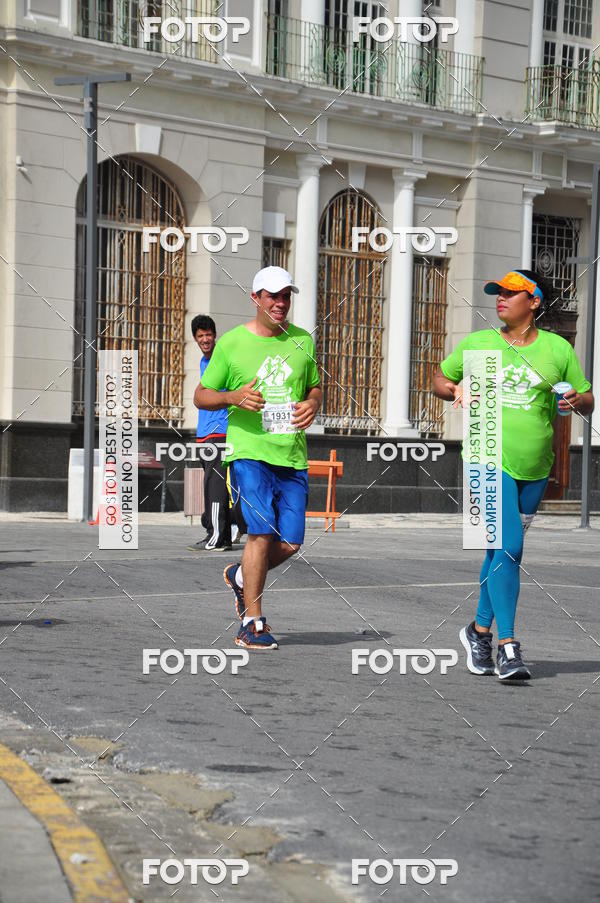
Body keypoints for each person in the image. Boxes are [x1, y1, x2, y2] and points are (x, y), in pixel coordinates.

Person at [433, 269, 594, 681]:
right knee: (509, 546)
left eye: (511, 293)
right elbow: (439, 379)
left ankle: (477, 631)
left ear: (534, 302)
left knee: (498, 552)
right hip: (484, 457)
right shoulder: (479, 343)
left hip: (536, 467)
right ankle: (508, 645)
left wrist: (577, 400)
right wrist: (455, 391)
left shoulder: (557, 349)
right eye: (498, 292)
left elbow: (586, 397)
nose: (500, 298)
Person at [194, 266, 322, 650]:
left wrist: (313, 404)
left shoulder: (303, 341)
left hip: (292, 454)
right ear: (256, 298)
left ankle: (239, 577)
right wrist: (232, 397)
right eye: (273, 296)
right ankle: (252, 622)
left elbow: (314, 386)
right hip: (249, 452)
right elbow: (201, 395)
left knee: (292, 543)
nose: (280, 303)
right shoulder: (232, 343)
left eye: (286, 296)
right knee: (261, 533)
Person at [188, 315, 244, 552]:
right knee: (212, 485)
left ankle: (217, 537)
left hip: (220, 433)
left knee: (216, 485)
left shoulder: (223, 361)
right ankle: (220, 532)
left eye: (208, 335)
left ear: (215, 335)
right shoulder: (203, 362)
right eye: (200, 336)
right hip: (204, 434)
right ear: (195, 338)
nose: (205, 339)